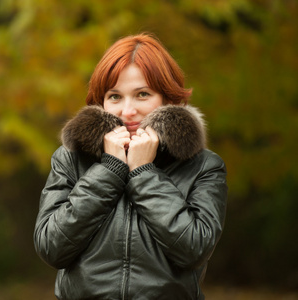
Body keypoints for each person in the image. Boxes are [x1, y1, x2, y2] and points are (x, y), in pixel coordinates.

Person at [34, 33, 227, 300]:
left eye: (142, 94)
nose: (127, 111)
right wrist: (109, 170)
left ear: (169, 99)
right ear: (101, 102)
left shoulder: (203, 166)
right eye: (115, 96)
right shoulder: (70, 159)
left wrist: (143, 172)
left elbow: (194, 249)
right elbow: (51, 248)